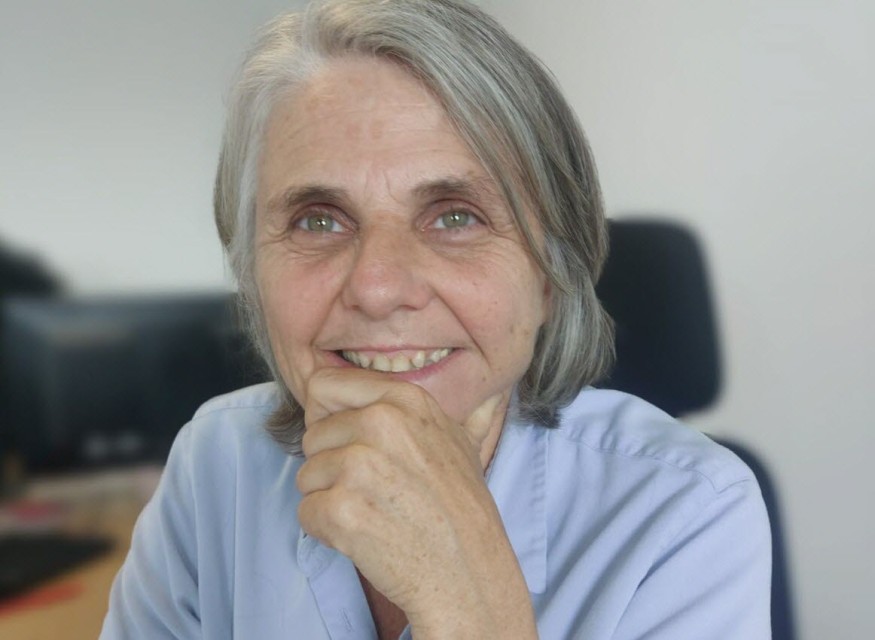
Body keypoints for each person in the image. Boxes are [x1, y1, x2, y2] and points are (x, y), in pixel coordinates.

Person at [101, 1, 771, 638]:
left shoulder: (688, 510)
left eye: (455, 216)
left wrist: (462, 595)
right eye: (318, 221)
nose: (377, 289)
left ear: (549, 274)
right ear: (251, 271)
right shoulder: (215, 461)